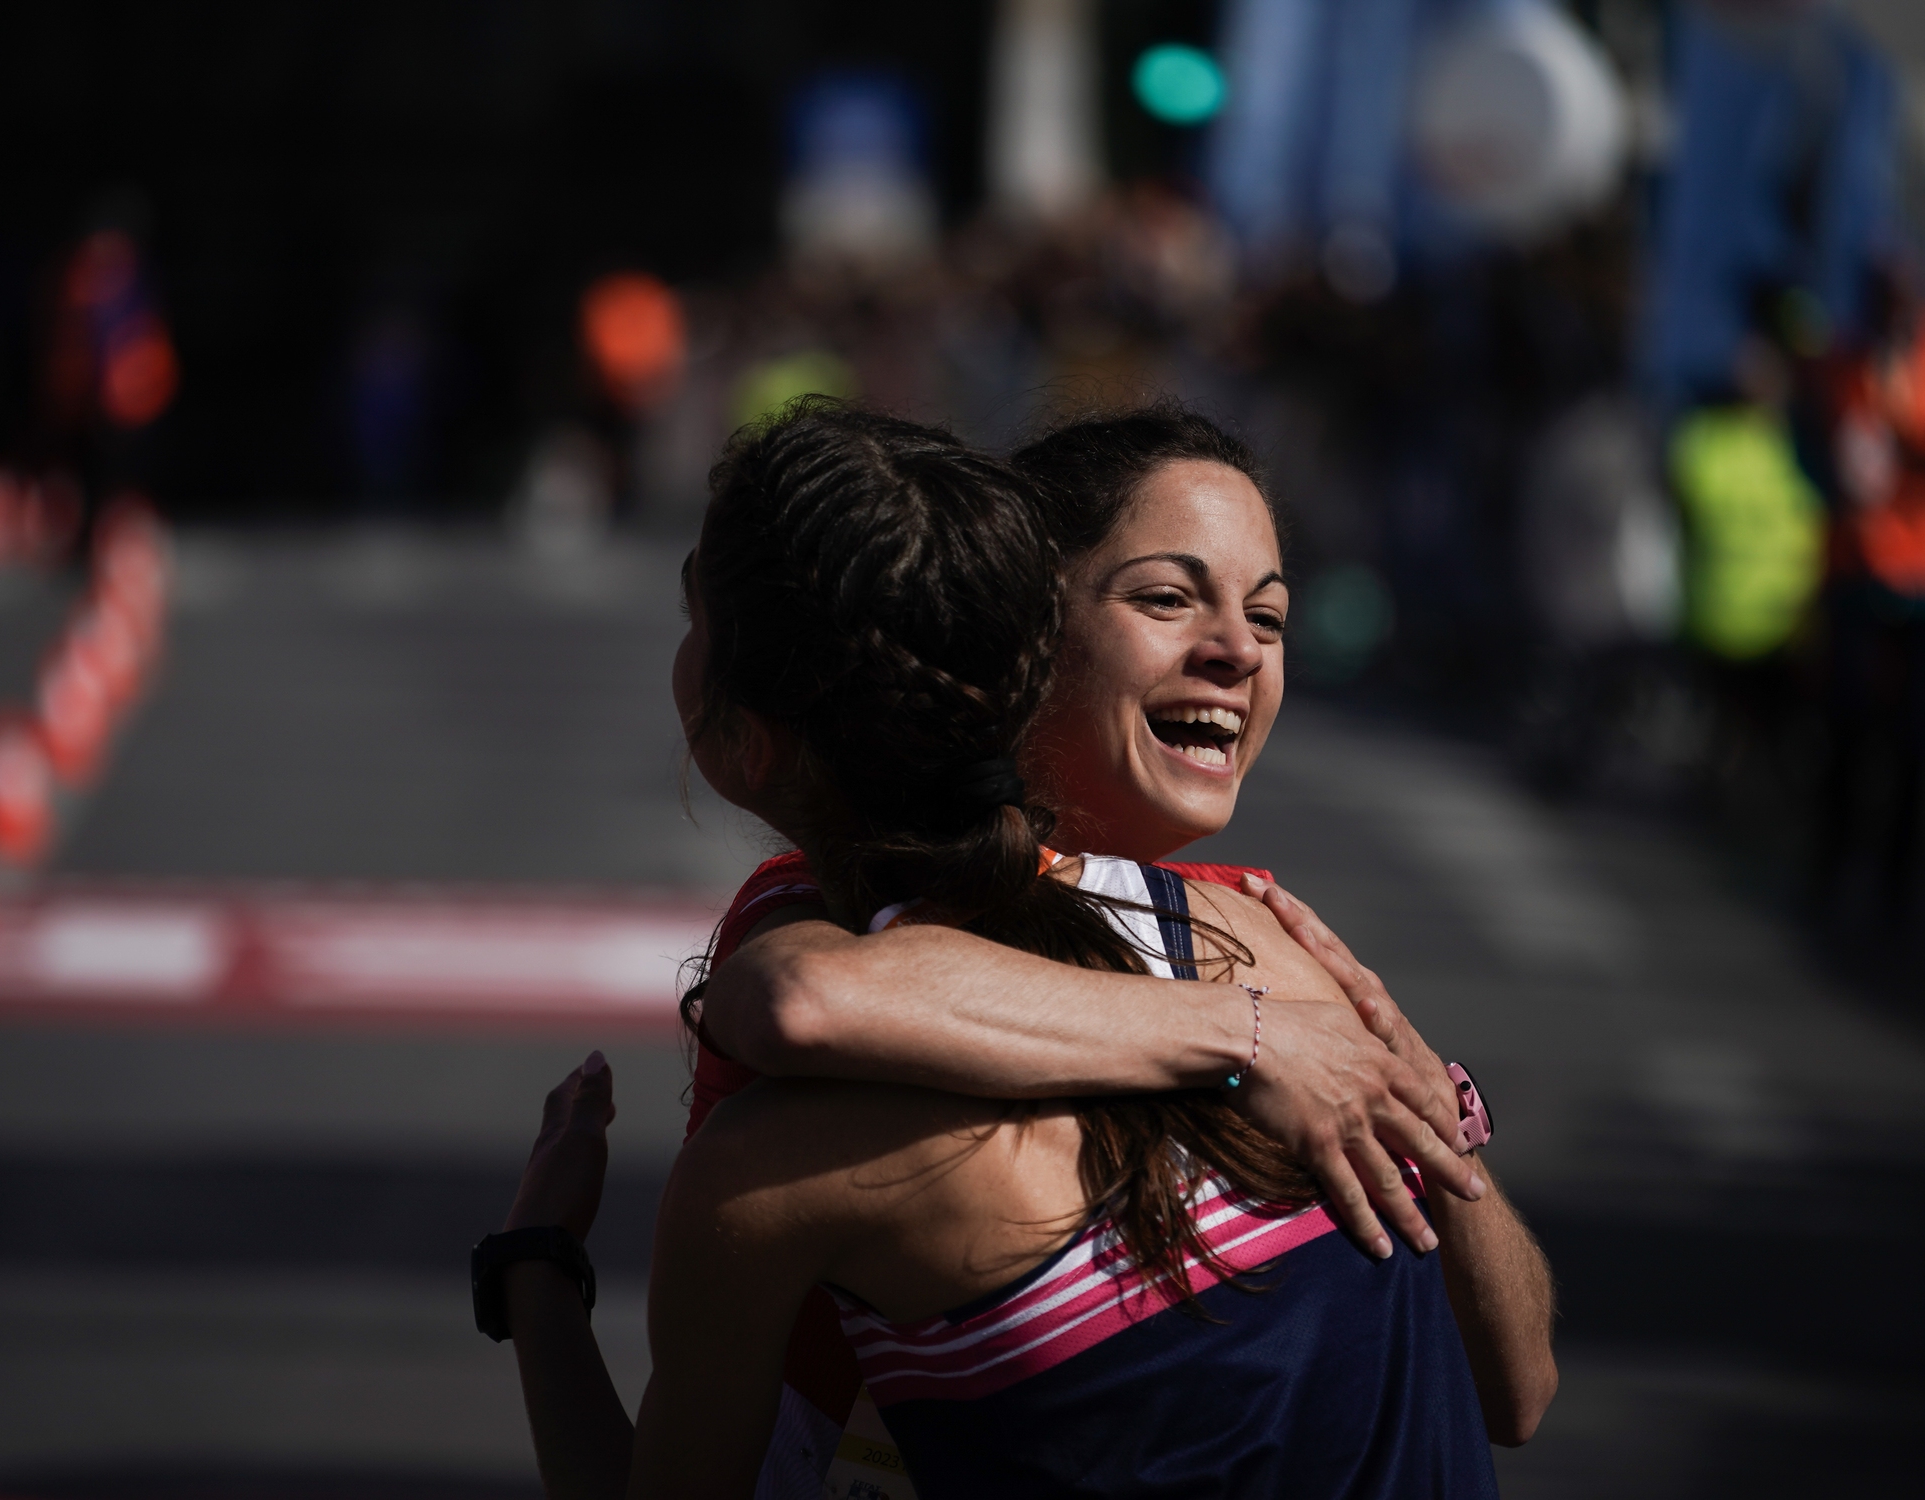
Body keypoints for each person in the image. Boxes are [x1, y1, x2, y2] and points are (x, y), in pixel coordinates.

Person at [482, 403, 1552, 1497]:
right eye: (1168, 599)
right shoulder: (1267, 957)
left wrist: (533, 1270)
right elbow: (799, 991)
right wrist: (1266, 1033)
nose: (1237, 650)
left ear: (749, 735)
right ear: (1028, 637)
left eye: (1271, 619)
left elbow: (1516, 1387)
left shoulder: (782, 1157)